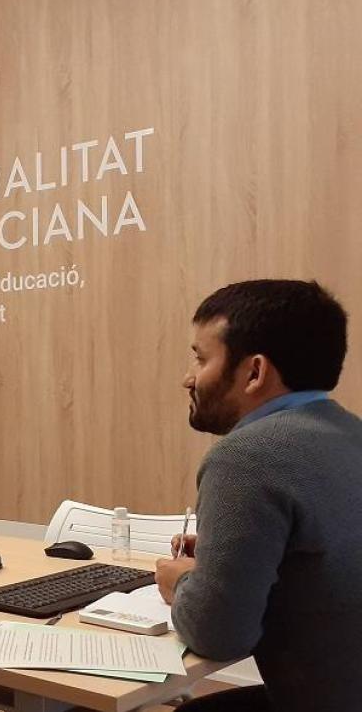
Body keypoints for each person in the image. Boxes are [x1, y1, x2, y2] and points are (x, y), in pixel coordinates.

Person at [154, 280, 361, 712]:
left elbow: (219, 634)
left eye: (201, 357)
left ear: (255, 372)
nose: (187, 378)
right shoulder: (351, 433)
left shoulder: (247, 456)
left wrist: (182, 582)